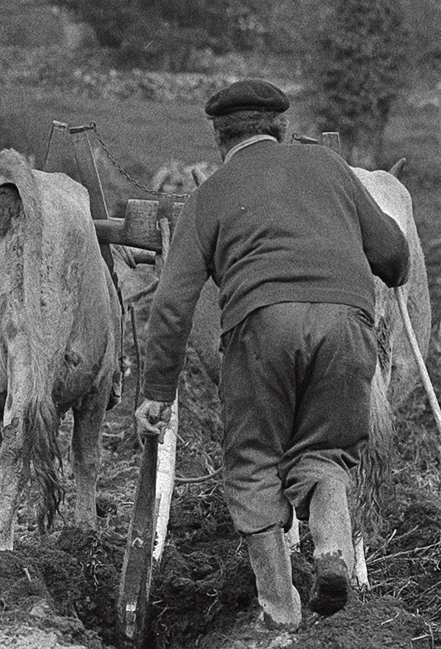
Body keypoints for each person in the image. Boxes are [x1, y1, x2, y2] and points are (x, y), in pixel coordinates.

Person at [135, 79, 410, 628]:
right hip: (347, 325)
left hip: (262, 328)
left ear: (219, 138)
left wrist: (157, 393)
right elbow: (393, 256)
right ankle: (331, 550)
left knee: (254, 464)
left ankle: (281, 614)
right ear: (281, 127)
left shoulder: (209, 196)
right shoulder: (330, 168)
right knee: (326, 453)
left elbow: (171, 305)